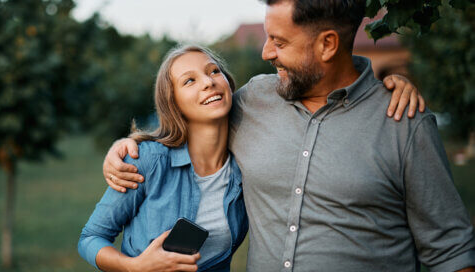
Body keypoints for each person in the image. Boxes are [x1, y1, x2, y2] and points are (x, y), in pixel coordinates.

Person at [102, 0, 475, 271]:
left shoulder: (402, 121)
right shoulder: (249, 102)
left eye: (279, 42)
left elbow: (451, 252)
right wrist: (127, 145)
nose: (266, 52)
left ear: (327, 45)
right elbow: (188, 123)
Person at [78, 45, 248, 271]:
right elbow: (91, 238)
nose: (208, 82)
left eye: (214, 71)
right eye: (189, 81)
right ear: (173, 103)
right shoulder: (148, 160)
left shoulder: (246, 167)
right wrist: (135, 266)